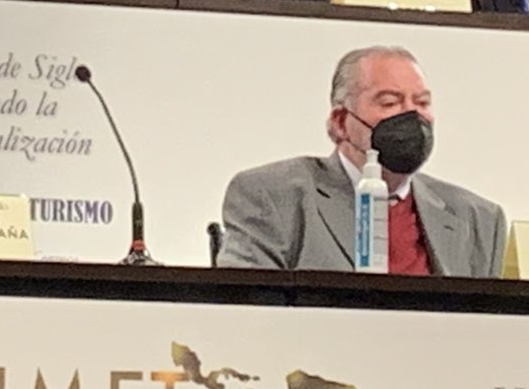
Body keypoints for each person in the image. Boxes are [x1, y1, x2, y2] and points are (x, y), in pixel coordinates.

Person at [217, 45, 506, 277]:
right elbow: (249, 314)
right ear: (341, 122)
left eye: (422, 103)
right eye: (390, 102)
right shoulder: (273, 196)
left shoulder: (478, 219)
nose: (412, 115)